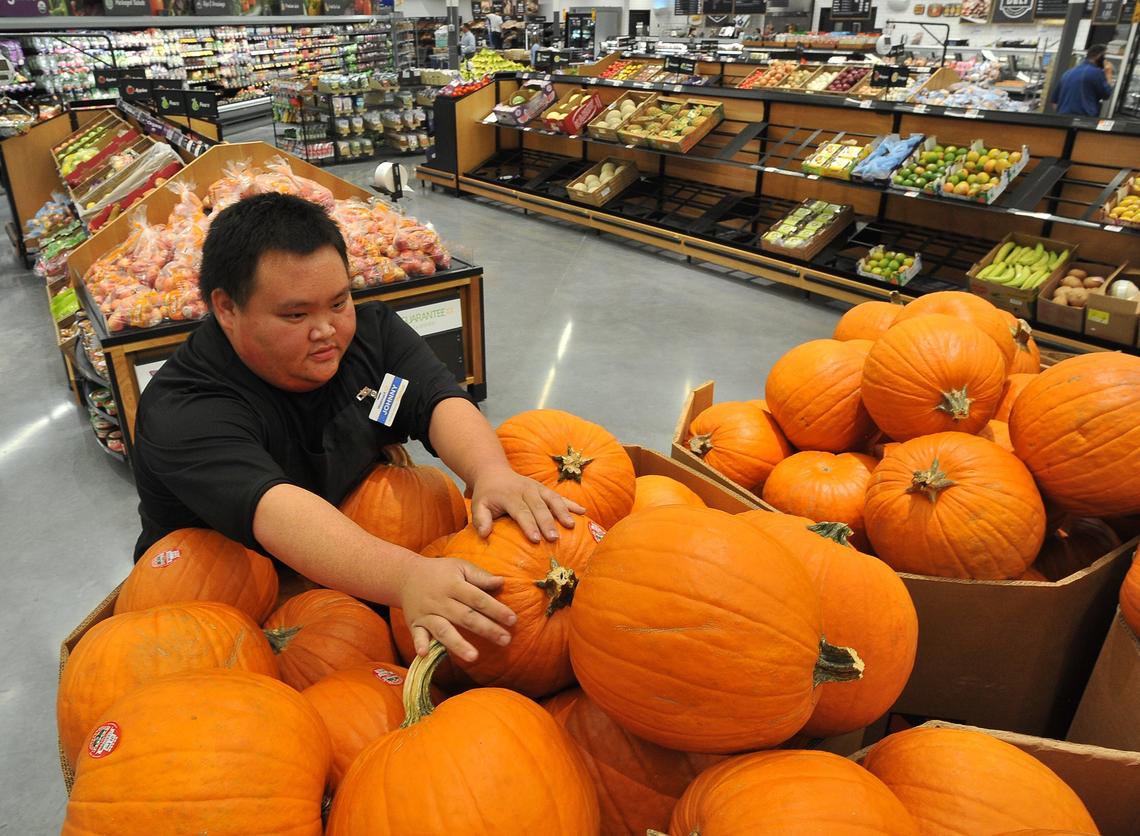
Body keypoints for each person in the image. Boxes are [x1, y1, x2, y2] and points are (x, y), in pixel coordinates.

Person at [132, 194, 584, 663]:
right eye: (295, 314)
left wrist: (491, 471)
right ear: (226, 308)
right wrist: (407, 576)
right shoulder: (185, 408)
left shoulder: (371, 335)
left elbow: (439, 399)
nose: (326, 330)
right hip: (217, 619)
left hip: (352, 573)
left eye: (338, 302)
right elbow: (275, 511)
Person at [1050, 44, 1114, 117]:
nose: (1106, 61)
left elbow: (1054, 102)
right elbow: (1106, 94)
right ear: (1099, 56)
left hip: (1062, 118)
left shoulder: (1068, 72)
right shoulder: (1096, 72)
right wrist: (1108, 74)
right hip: (1083, 119)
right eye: (1105, 57)